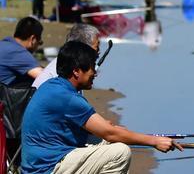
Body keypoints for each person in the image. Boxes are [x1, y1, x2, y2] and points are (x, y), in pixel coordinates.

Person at [21, 41, 182, 174]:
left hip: (44, 161)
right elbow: (110, 133)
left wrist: (114, 132)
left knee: (110, 140)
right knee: (120, 153)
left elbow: (103, 130)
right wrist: (154, 141)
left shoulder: (54, 86)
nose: (95, 73)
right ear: (76, 71)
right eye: (91, 68)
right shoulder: (66, 97)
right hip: (46, 168)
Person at [32, 23, 99, 89]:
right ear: (81, 47)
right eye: (96, 47)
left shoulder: (66, 63)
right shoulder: (64, 72)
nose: (98, 52)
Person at [0, 17, 43, 86]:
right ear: (33, 39)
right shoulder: (18, 52)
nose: (38, 46)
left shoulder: (5, 43)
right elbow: (45, 78)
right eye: (40, 42)